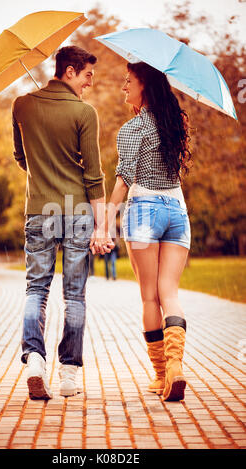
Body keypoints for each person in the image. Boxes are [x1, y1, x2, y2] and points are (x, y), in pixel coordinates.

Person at [12, 46, 113, 400]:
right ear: (69, 71)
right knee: (74, 295)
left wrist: (44, 175)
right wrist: (103, 227)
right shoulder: (84, 113)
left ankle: (35, 361)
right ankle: (68, 372)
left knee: (35, 290)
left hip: (40, 210)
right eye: (87, 76)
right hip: (77, 211)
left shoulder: (21, 105)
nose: (88, 85)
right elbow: (94, 176)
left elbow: (21, 157)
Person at [105, 61, 192, 401]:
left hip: (143, 210)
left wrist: (105, 221)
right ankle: (175, 367)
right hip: (176, 211)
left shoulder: (131, 129)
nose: (124, 88)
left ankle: (160, 375)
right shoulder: (176, 124)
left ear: (145, 86)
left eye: (129, 82)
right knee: (169, 292)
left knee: (149, 296)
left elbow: (124, 177)